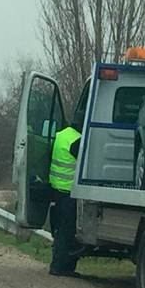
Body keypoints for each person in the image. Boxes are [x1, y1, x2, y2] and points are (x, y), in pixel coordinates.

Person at [48, 114, 84, 277]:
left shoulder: (61, 135)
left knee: (61, 230)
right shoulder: (77, 141)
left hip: (56, 189)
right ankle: (60, 267)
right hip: (70, 193)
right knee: (67, 232)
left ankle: (59, 265)